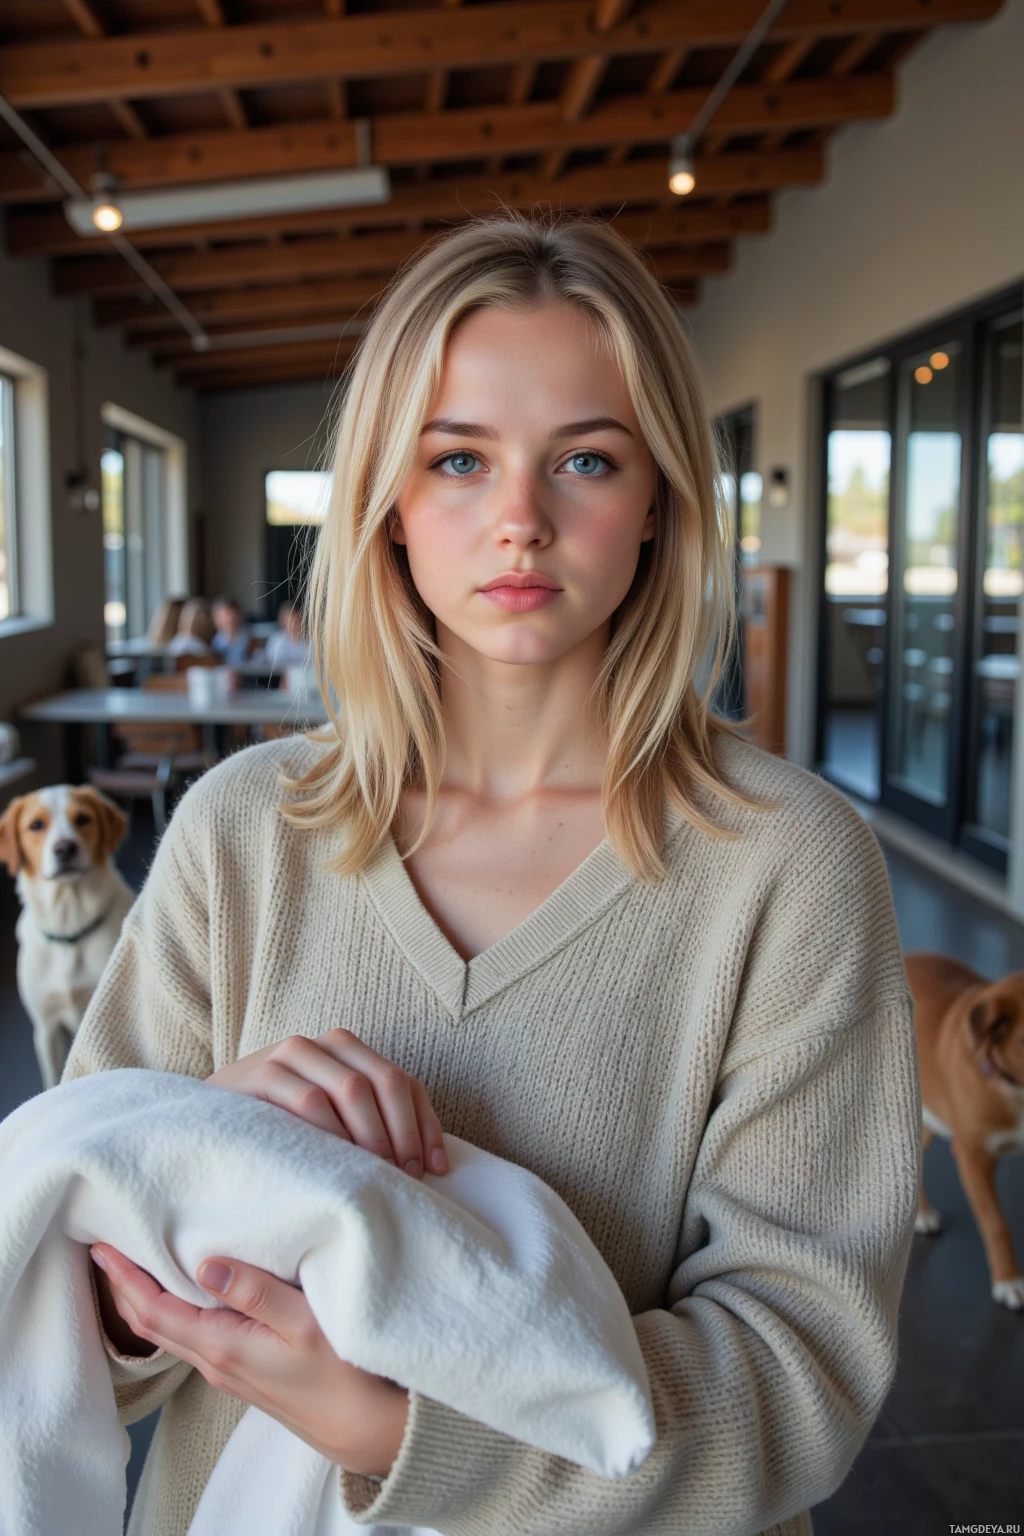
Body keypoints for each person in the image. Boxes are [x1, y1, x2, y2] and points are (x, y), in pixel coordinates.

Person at [70, 215, 920, 1536]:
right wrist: (189, 1152)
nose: (519, 521)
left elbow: (804, 1371)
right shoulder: (239, 833)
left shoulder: (788, 865)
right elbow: (71, 1296)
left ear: (657, 502)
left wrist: (404, 1432)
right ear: (389, 504)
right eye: (458, 459)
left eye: (585, 459)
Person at [263, 600, 310, 668]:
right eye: (290, 619)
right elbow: (273, 663)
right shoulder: (277, 640)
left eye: (296, 619)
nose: (294, 623)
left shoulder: (311, 640)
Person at [211, 595, 252, 666]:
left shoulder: (251, 640)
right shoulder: (216, 641)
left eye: (230, 615)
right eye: (222, 616)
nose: (228, 620)